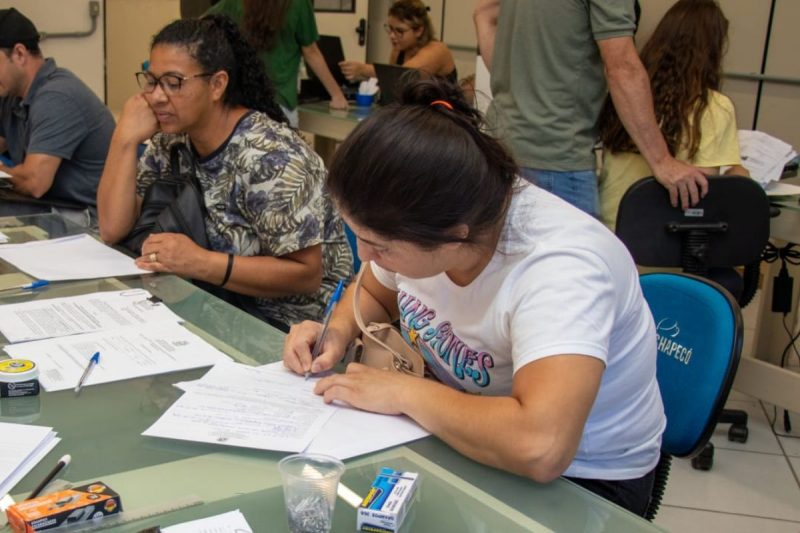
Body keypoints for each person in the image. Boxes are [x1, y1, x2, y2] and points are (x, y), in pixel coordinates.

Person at [282, 78, 665, 516]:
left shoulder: (560, 270)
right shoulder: (425, 213)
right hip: (455, 425)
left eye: (379, 246)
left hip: (582, 481)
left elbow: (540, 446)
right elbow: (373, 289)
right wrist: (337, 331)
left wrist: (403, 393)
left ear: (455, 237)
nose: (365, 256)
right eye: (359, 237)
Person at [97, 15, 352, 330]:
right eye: (151, 81)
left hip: (290, 327)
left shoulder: (270, 157)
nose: (157, 96)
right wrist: (123, 139)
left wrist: (200, 262)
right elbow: (112, 229)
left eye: (173, 83)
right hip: (215, 304)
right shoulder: (173, 138)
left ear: (217, 84)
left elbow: (305, 274)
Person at [473, 0, 708, 217]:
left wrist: (524, 86)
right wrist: (662, 161)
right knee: (573, 261)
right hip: (556, 159)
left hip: (500, 147)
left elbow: (484, 13)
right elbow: (622, 67)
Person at [598, 0, 747, 230]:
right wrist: (741, 176)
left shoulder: (627, 98)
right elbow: (703, 190)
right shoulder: (711, 107)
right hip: (665, 242)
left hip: (609, 231)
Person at [0, 8, 115, 227]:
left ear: (20, 54)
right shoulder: (11, 94)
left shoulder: (57, 96)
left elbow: (34, 182)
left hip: (85, 216)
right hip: (48, 204)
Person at [206, 0, 348, 127]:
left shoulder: (234, 3)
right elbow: (311, 52)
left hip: (241, 104)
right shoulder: (299, 4)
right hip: (280, 102)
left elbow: (202, 25)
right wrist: (337, 95)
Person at [339, 0, 456, 83]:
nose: (392, 36)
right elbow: (392, 84)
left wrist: (362, 69)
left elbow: (403, 75)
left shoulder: (437, 50)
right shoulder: (399, 50)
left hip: (441, 113)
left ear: (419, 30)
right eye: (390, 29)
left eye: (399, 31)